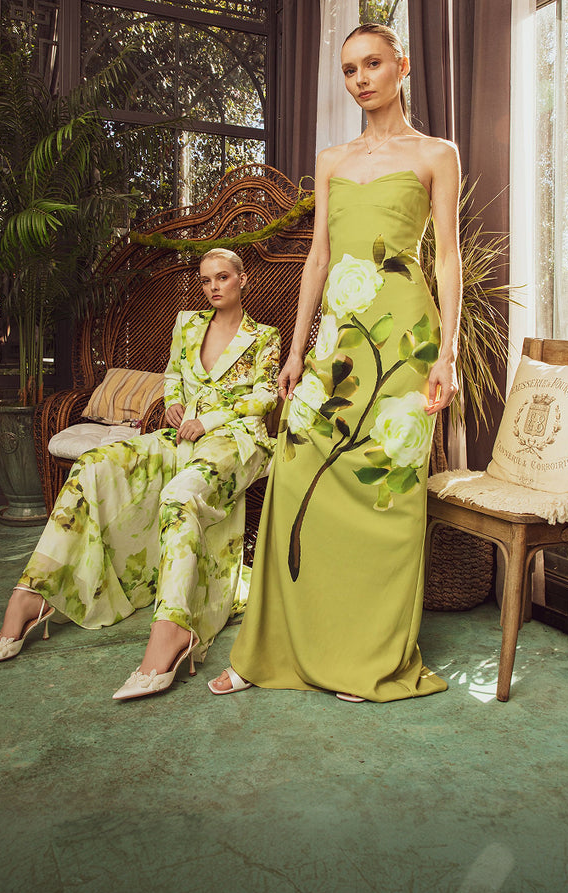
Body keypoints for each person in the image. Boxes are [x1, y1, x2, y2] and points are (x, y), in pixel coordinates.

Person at [209, 23, 462, 702]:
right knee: (295, 475)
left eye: (373, 64)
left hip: (407, 341)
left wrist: (450, 354)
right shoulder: (330, 159)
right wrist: (295, 351)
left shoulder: (438, 153)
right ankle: (269, 653)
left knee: (387, 496)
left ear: (401, 66)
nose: (361, 79)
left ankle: (366, 659)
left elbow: (446, 258)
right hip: (336, 343)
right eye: (350, 69)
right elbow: (318, 257)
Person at [0, 248, 281, 702]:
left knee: (180, 495)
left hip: (237, 442)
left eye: (223, 278)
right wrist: (174, 402)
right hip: (180, 434)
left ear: (242, 280)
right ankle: (33, 595)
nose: (214, 286)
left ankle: (172, 630)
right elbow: (174, 374)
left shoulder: (263, 336)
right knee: (93, 464)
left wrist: (208, 421)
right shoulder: (188, 325)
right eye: (206, 279)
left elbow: (267, 397)